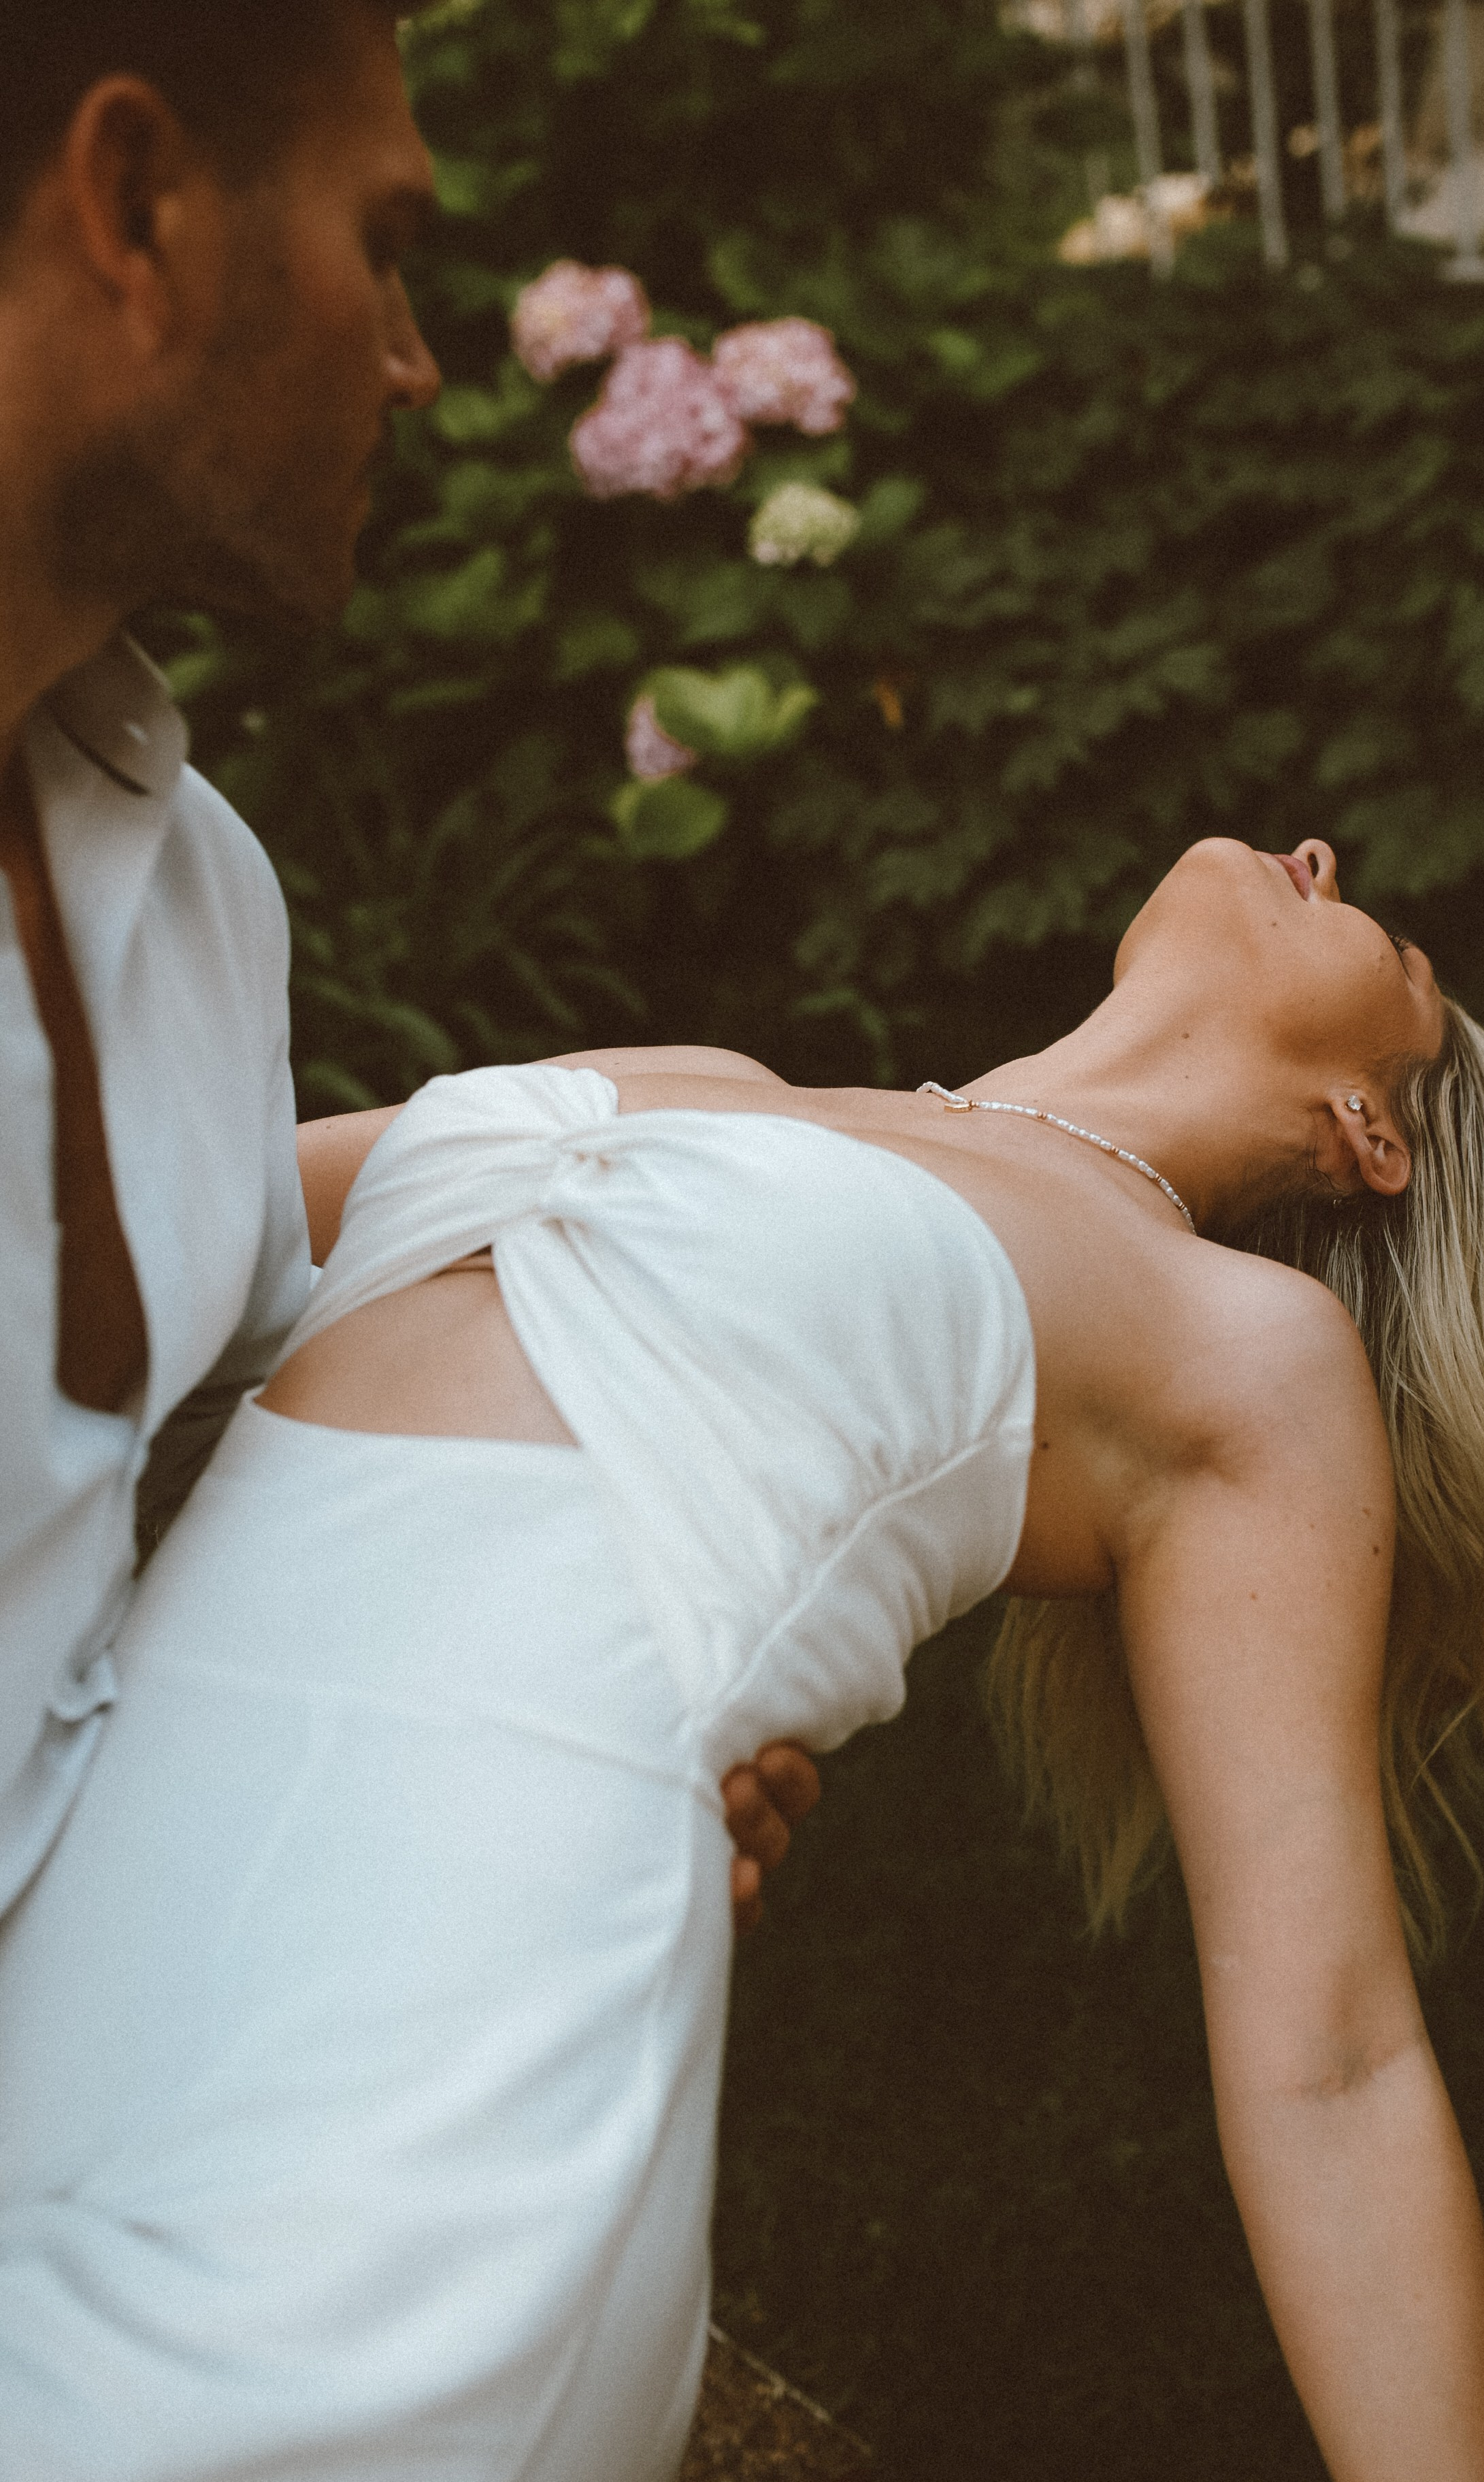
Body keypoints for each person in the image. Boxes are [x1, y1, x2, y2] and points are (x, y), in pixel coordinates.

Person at [0, 831, 1484, 2481]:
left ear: (1368, 1133)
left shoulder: (1235, 1350)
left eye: (1390, 945)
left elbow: (1332, 2059)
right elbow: (87, 1277)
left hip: (456, 2031)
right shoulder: (706, 1076)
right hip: (98, 1919)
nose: (1315, 852)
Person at [0, 0, 812, 1937]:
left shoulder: (192, 887)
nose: (417, 362)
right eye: (385, 243)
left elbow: (148, 1586)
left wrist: (554, 1739)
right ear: (138, 206)